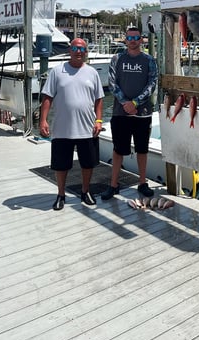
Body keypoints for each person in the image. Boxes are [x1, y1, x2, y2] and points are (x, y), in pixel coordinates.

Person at [39, 38, 105, 210]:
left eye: (82, 49)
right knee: (61, 164)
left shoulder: (92, 72)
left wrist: (99, 120)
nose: (78, 51)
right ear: (70, 50)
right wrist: (43, 120)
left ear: (86, 52)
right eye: (75, 48)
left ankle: (85, 191)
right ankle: (61, 194)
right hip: (62, 128)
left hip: (87, 127)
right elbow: (47, 97)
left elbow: (99, 99)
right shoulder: (57, 71)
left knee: (88, 163)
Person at [101, 27, 158, 200]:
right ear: (125, 40)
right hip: (120, 113)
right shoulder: (117, 58)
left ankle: (142, 183)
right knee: (118, 150)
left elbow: (152, 83)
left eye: (136, 37)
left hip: (143, 114)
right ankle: (113, 185)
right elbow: (112, 83)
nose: (133, 40)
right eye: (130, 37)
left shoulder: (149, 60)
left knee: (142, 150)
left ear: (142, 40)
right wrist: (125, 102)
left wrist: (135, 102)